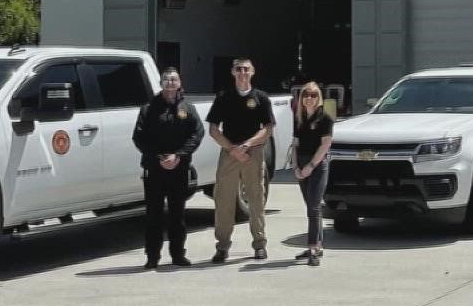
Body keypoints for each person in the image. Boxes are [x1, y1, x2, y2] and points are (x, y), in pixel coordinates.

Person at [204, 58, 275, 264]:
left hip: (253, 153)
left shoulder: (261, 98)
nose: (242, 73)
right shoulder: (223, 97)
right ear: (233, 73)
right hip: (229, 153)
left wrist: (247, 145)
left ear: (253, 72)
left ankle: (260, 244)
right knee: (224, 200)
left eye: (246, 69)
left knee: (256, 199)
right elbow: (213, 129)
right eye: (239, 69)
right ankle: (222, 246)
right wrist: (232, 148)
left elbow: (268, 128)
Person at [132, 68, 203, 269]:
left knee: (177, 214)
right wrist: (159, 157)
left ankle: (178, 254)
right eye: (166, 79)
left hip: (179, 169)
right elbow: (139, 137)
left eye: (174, 79)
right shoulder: (148, 108)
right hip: (154, 169)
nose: (170, 82)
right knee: (153, 214)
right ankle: (152, 256)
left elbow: (197, 134)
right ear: (161, 83)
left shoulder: (188, 108)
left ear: (180, 83)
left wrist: (178, 155)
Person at [292, 81, 337, 266]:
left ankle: (313, 247)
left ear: (319, 98)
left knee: (314, 206)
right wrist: (295, 167)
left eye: (313, 95)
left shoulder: (325, 118)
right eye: (306, 95)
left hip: (317, 165)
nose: (309, 98)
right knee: (310, 207)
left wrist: (311, 165)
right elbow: (294, 145)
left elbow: (325, 144)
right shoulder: (299, 118)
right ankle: (317, 246)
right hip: (301, 164)